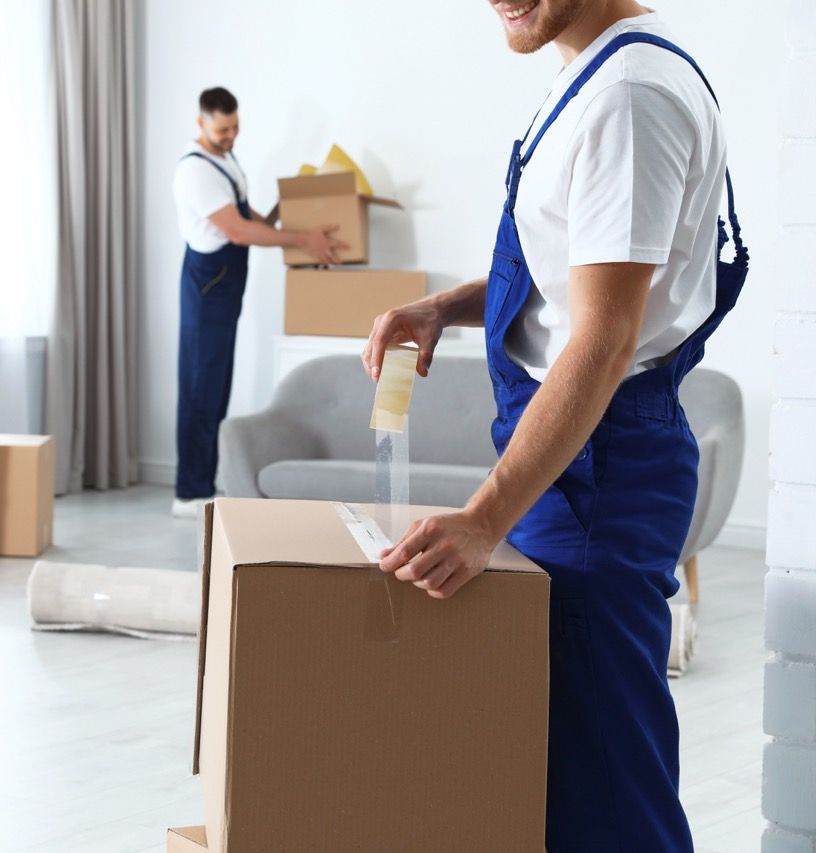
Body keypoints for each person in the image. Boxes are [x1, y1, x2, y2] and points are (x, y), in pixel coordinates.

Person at [363, 2, 748, 849]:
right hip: (576, 463)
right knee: (568, 769)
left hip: (597, 473)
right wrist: (447, 306)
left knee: (611, 791)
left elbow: (605, 340)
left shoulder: (629, 97)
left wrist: (483, 518)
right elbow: (574, 278)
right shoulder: (588, 75)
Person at [170, 86, 346, 518]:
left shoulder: (224, 160)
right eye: (222, 129)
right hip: (208, 283)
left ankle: (202, 481)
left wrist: (286, 212)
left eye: (235, 127)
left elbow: (249, 221)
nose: (231, 135)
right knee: (199, 385)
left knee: (216, 385)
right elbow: (237, 232)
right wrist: (303, 238)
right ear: (201, 124)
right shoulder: (196, 170)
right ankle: (188, 493)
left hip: (226, 283)